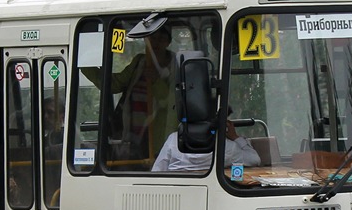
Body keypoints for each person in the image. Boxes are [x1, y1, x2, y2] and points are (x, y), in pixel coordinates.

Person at [110, 27, 176, 163]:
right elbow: (116, 84)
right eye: (153, 39)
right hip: (135, 131)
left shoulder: (176, 65)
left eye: (161, 39)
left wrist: (156, 81)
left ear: (168, 42)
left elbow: (170, 102)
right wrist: (84, 65)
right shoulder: (140, 62)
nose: (156, 43)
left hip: (162, 133)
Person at [152, 112, 261, 172]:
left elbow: (157, 171)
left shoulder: (173, 140)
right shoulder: (226, 147)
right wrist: (235, 137)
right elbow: (254, 160)